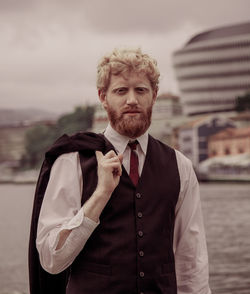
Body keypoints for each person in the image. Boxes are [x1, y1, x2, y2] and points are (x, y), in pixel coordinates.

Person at [29, 48, 211, 294]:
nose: (132, 100)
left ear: (154, 95)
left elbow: (192, 259)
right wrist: (101, 195)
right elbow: (52, 260)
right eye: (121, 91)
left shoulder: (181, 166)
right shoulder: (72, 160)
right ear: (103, 97)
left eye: (141, 90)